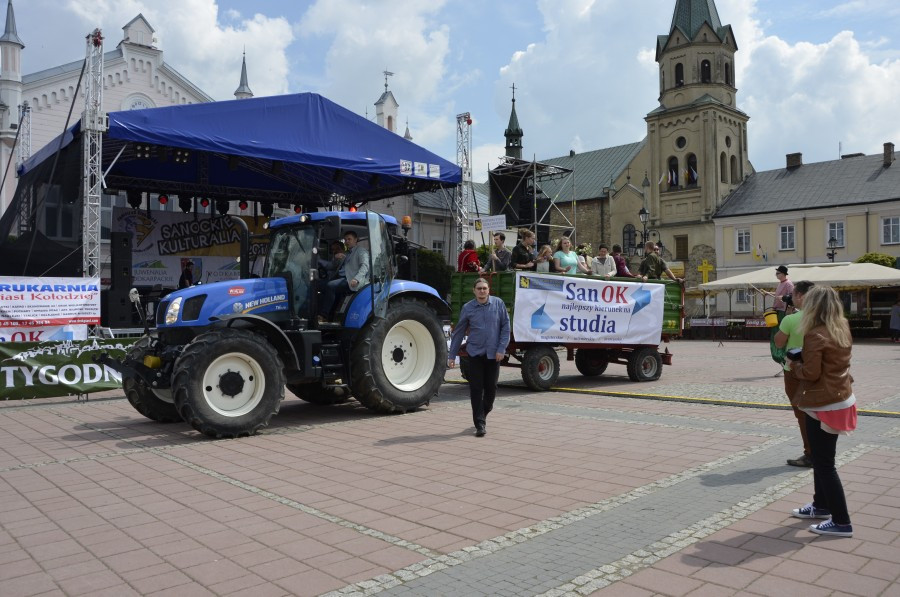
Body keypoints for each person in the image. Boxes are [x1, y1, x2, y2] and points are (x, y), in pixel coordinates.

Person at [788, 286, 857, 537]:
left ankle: (842, 522)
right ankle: (821, 505)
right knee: (821, 459)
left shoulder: (815, 334)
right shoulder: (842, 326)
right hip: (840, 398)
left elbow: (811, 373)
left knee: (825, 464)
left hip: (822, 403)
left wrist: (794, 365)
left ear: (813, 307)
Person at [447, 278, 511, 437]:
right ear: (474, 291)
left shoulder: (498, 304)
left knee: (491, 388)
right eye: (479, 288)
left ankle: (483, 411)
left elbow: (505, 327)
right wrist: (452, 355)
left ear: (489, 290)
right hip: (475, 353)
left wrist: (501, 348)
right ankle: (480, 424)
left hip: (494, 355)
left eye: (484, 288)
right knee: (476, 389)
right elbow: (459, 332)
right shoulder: (468, 308)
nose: (482, 291)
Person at [774, 280, 815, 468]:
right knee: (819, 411)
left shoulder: (791, 319)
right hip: (818, 369)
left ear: (800, 296)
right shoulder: (824, 317)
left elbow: (779, 342)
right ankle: (821, 450)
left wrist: (787, 319)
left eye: (794, 295)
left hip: (795, 371)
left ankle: (810, 453)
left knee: (802, 413)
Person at [318, 230, 369, 323]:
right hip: (341, 279)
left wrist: (356, 279)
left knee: (331, 285)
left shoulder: (361, 251)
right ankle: (322, 313)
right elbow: (331, 266)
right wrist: (335, 258)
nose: (347, 241)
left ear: (356, 240)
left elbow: (365, 266)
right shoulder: (346, 254)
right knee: (318, 285)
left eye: (349, 239)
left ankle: (323, 315)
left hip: (350, 280)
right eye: (345, 240)